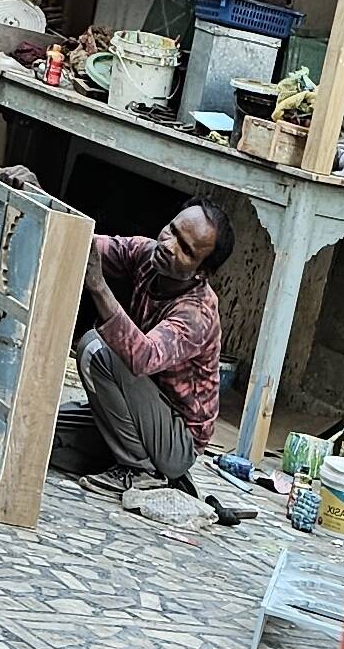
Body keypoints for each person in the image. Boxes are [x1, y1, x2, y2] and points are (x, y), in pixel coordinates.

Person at [72, 196, 234, 493]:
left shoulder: (197, 313)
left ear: (202, 272)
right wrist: (38, 195)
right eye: (172, 230)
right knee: (41, 434)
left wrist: (97, 285)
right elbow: (79, 240)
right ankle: (131, 459)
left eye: (185, 250)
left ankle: (140, 469)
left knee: (96, 348)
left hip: (177, 440)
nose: (169, 245)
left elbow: (143, 357)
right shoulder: (147, 253)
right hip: (138, 414)